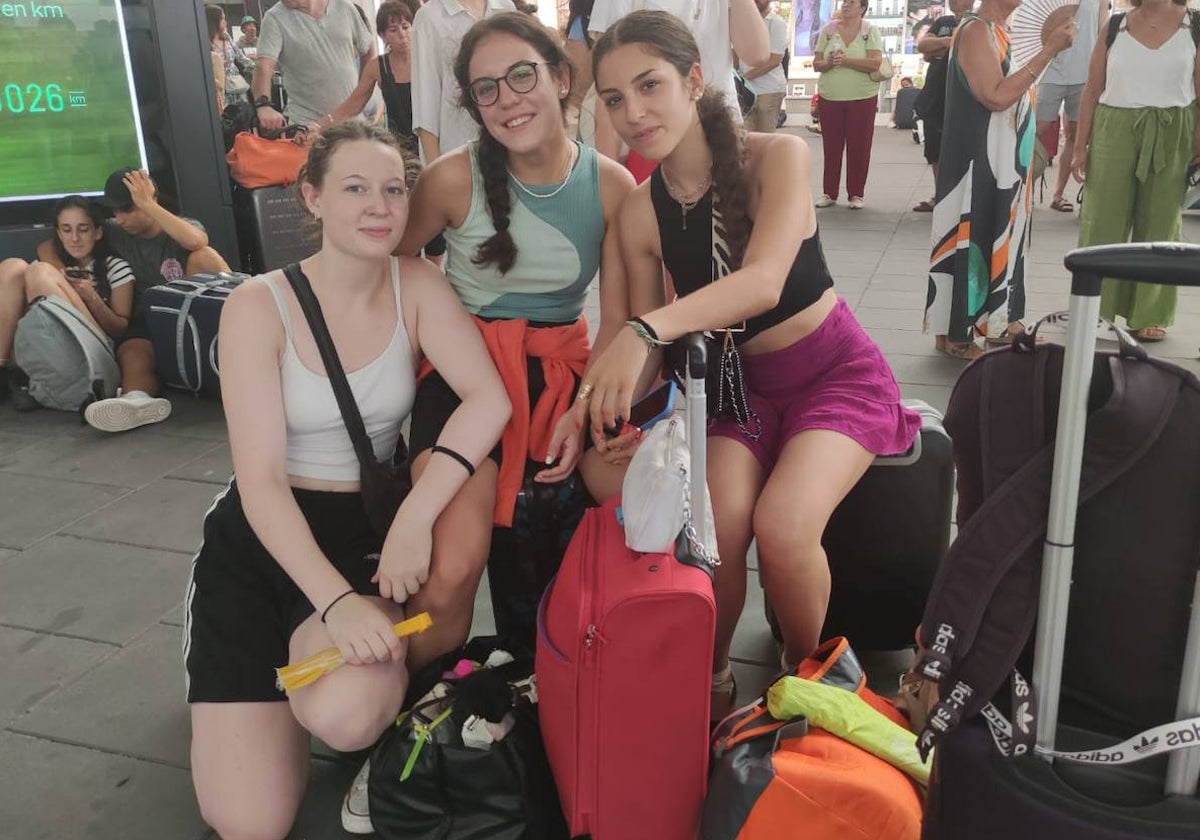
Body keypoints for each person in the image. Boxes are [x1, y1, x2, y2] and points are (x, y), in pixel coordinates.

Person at [337, 15, 635, 833]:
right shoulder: (451, 179)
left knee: (631, 513)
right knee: (452, 572)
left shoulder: (611, 184)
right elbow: (388, 272)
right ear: (472, 104)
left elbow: (617, 324)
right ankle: (405, 737)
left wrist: (587, 411)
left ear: (562, 77)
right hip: (468, 381)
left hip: (563, 380)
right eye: (486, 88)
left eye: (522, 76)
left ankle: (597, 713)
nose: (507, 99)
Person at [584, 9, 920, 719]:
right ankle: (712, 683)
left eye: (650, 86)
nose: (633, 112)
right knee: (717, 528)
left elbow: (764, 281)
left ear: (694, 79)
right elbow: (643, 351)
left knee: (786, 525)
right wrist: (604, 414)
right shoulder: (642, 212)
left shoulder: (779, 157)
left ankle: (810, 678)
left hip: (832, 374)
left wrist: (646, 329)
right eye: (614, 99)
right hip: (736, 390)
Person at [187, 120, 510, 840]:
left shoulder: (416, 285)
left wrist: (414, 517)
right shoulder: (257, 305)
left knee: (350, 714)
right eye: (356, 188)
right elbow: (262, 481)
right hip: (263, 535)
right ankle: (235, 667)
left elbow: (490, 400)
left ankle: (300, 693)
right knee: (249, 824)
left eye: (394, 189)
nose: (381, 206)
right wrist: (336, 604)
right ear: (312, 197)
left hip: (355, 523)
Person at [925, 0, 1075, 359]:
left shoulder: (1003, 30)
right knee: (974, 235)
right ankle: (959, 331)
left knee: (1003, 234)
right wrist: (1050, 50)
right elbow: (994, 95)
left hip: (1006, 158)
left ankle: (1000, 319)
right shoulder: (976, 30)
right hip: (981, 159)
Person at [1071, 0, 1197, 342]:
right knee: (1102, 220)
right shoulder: (1115, 25)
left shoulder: (1194, 24)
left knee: (1160, 223)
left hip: (1173, 129)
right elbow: (1093, 88)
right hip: (1115, 128)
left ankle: (1150, 313)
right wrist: (1080, 145)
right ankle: (1095, 310)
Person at [75, 168, 229, 431]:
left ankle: (242, 355)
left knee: (204, 255)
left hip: (197, 319)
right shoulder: (116, 231)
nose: (119, 218)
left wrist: (147, 203)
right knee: (133, 353)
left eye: (127, 209)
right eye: (115, 211)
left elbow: (197, 240)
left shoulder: (181, 225)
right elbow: (49, 244)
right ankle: (135, 401)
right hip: (149, 322)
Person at [588, 0, 770, 161]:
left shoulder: (782, 153)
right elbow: (611, 76)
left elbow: (757, 54)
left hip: (721, 132)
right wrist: (609, 176)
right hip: (650, 143)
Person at [0, 196, 135, 409]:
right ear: (59, 233)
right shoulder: (55, 259)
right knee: (12, 267)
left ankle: (22, 375)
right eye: (66, 229)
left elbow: (119, 330)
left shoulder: (115, 267)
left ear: (97, 232)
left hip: (92, 350)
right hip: (45, 344)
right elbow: (45, 248)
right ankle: (5, 370)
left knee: (39, 271)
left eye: (83, 229)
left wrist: (91, 296)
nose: (75, 238)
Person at [411, 0, 517, 164]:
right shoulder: (429, 17)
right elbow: (425, 106)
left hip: (508, 149)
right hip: (457, 154)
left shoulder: (505, 8)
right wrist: (436, 173)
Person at [252, 0, 377, 133]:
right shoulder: (275, 17)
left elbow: (368, 48)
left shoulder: (345, 7)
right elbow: (264, 65)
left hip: (352, 122)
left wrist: (362, 91)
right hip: (307, 126)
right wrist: (263, 105)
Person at [812, 0, 884, 209]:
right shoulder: (828, 30)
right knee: (831, 146)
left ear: (862, 8)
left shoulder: (869, 31)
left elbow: (875, 63)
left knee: (859, 146)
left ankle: (856, 194)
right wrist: (828, 63)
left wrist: (846, 61)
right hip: (830, 96)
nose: (846, 5)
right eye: (845, 2)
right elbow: (817, 64)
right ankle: (829, 192)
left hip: (862, 96)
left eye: (852, 2)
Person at [1037, 0, 1107, 213]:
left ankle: (1058, 195)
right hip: (1050, 69)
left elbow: (1103, 30)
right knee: (1036, 131)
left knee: (1075, 137)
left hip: (1084, 72)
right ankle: (1021, 189)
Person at [328, 1, 419, 149]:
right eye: (393, 30)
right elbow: (352, 105)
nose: (402, 35)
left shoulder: (427, 58)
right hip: (401, 144)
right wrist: (319, 125)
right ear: (383, 36)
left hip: (433, 137)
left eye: (405, 27)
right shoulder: (377, 66)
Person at [912, 0, 974, 213]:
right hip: (936, 97)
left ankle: (962, 198)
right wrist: (950, 41)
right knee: (935, 151)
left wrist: (938, 47)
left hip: (965, 97)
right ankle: (942, 195)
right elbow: (924, 46)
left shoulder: (979, 23)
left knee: (963, 149)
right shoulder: (943, 22)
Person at [740, 0, 790, 133]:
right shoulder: (744, 21)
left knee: (765, 137)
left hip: (769, 89)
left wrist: (746, 77)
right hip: (746, 88)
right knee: (745, 137)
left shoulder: (777, 23)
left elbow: (774, 60)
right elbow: (735, 52)